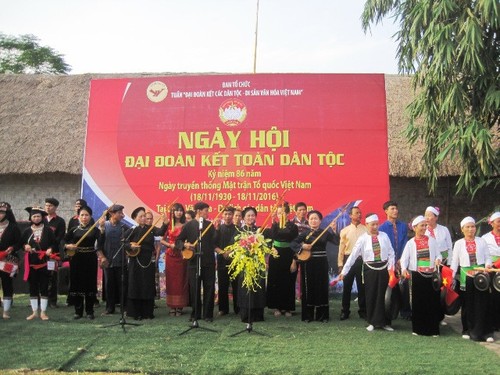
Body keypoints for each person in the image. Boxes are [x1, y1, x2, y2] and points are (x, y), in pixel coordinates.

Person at [340, 214, 395, 332]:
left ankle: (385, 322)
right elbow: (353, 255)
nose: (375, 227)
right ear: (367, 225)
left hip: (384, 269)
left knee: (384, 296)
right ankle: (372, 322)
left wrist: (391, 268)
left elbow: (391, 252)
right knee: (371, 295)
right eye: (372, 224)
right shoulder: (362, 238)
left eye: (377, 224)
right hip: (370, 269)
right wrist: (344, 271)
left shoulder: (384, 236)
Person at [451, 216, 494, 342]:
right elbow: (455, 261)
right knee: (467, 303)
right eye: (468, 227)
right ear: (462, 229)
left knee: (483, 303)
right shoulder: (459, 244)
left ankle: (486, 332)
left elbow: (487, 257)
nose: (471, 229)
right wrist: (452, 276)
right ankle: (467, 330)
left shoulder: (482, 241)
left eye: (473, 226)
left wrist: (487, 266)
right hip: (467, 275)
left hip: (481, 276)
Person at [291, 210, 339, 322]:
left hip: (321, 262)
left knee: (321, 287)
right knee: (308, 288)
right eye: (311, 218)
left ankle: (322, 316)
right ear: (308, 220)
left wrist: (334, 231)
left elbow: (336, 242)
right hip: (308, 263)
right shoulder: (305, 234)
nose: (313, 220)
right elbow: (293, 244)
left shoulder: (325, 232)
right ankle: (308, 316)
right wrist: (303, 246)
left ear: (320, 220)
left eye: (316, 218)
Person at [400, 215, 442, 336]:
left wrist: (438, 260)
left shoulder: (432, 241)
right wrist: (404, 269)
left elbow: (438, 255)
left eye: (425, 225)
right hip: (417, 275)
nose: (424, 228)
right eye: (422, 225)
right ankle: (418, 329)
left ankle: (433, 329)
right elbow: (404, 259)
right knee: (418, 302)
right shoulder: (410, 243)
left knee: (432, 302)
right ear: (414, 227)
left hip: (431, 275)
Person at [175, 202, 216, 322]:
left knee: (209, 287)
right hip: (193, 261)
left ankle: (208, 314)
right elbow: (178, 241)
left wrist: (217, 230)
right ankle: (195, 313)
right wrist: (185, 245)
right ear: (198, 211)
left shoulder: (210, 225)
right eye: (206, 210)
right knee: (194, 288)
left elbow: (214, 241)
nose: (207, 213)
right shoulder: (189, 225)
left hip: (208, 261)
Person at [124, 207, 167, 320]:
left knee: (147, 285)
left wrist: (165, 223)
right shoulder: (132, 230)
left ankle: (147, 313)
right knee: (135, 285)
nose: (143, 218)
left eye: (144, 216)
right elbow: (123, 241)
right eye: (141, 216)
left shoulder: (151, 229)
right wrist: (130, 246)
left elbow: (161, 232)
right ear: (135, 218)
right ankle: (135, 312)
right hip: (135, 261)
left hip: (148, 261)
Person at [64, 206, 103, 319]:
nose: (84, 217)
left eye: (86, 215)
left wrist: (102, 229)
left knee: (89, 284)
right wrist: (68, 245)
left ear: (90, 217)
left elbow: (101, 242)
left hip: (90, 258)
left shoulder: (94, 230)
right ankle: (78, 311)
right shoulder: (74, 230)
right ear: (78, 217)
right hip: (76, 259)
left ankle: (90, 311)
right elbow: (63, 240)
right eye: (82, 215)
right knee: (77, 284)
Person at [21, 206, 58, 321]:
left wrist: (50, 249)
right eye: (34, 216)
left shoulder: (48, 230)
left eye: (38, 216)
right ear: (31, 218)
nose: (36, 218)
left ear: (42, 217)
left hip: (44, 263)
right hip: (31, 263)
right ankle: (34, 312)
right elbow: (21, 243)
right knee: (33, 287)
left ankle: (43, 312)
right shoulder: (27, 231)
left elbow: (55, 244)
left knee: (44, 287)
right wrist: (25, 246)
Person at [234, 206, 269, 323]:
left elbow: (266, 247)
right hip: (244, 264)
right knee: (245, 289)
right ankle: (245, 315)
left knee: (258, 289)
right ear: (243, 218)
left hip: (258, 264)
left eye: (252, 215)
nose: (250, 217)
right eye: (248, 215)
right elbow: (234, 247)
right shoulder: (239, 231)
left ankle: (258, 315)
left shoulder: (260, 231)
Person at [266, 202, 298, 317]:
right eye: (279, 213)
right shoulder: (274, 225)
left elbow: (296, 244)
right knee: (276, 281)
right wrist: (271, 250)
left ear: (288, 213)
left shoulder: (293, 227)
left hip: (289, 255)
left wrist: (294, 260)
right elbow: (270, 241)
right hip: (276, 256)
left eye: (283, 212)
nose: (281, 215)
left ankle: (288, 308)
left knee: (288, 281)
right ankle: (277, 307)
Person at [379, 200, 409, 319]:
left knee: (404, 287)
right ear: (386, 211)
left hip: (402, 261)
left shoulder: (403, 225)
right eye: (392, 209)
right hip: (389, 262)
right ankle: (390, 310)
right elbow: (384, 247)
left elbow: (405, 243)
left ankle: (406, 311)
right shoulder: (382, 228)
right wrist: (392, 261)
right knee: (391, 287)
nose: (395, 211)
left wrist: (401, 259)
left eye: (396, 208)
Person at [338, 206, 367, 320]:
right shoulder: (344, 231)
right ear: (350, 215)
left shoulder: (365, 230)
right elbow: (341, 249)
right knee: (347, 287)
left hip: (361, 260)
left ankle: (363, 311)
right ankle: (345, 311)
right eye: (356, 213)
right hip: (348, 259)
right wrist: (340, 264)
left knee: (362, 287)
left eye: (360, 213)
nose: (359, 215)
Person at [160, 203, 189, 316]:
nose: (179, 212)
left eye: (181, 210)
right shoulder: (169, 226)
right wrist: (170, 245)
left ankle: (180, 306)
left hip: (182, 256)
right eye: (176, 210)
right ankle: (172, 306)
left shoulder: (185, 225)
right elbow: (162, 240)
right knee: (171, 281)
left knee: (181, 281)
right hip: (171, 256)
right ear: (172, 212)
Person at [98, 204, 127, 316]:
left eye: (121, 212)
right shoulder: (103, 226)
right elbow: (98, 245)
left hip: (121, 261)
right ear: (111, 213)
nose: (121, 215)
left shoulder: (124, 227)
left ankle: (124, 308)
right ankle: (110, 308)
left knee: (122, 285)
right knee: (109, 286)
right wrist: (102, 257)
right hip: (108, 261)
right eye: (119, 213)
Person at [214, 206, 239, 316]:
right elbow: (213, 244)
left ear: (233, 215)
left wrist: (230, 252)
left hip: (235, 260)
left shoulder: (238, 229)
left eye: (230, 214)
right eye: (226, 214)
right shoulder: (218, 229)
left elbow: (239, 244)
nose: (228, 216)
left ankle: (238, 308)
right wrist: (222, 252)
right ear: (222, 215)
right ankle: (223, 309)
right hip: (221, 259)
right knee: (222, 285)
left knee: (236, 285)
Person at [0, 202, 21, 319]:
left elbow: (19, 243)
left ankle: (6, 311)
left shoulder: (13, 227)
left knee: (7, 284)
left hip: (8, 258)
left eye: (2, 212)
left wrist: (12, 248)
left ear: (6, 214)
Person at [44, 197, 66, 308]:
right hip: (40, 253)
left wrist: (51, 248)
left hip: (53, 254)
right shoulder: (41, 219)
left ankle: (52, 300)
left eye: (50, 205)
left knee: (52, 276)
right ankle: (41, 299)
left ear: (56, 207)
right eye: (46, 205)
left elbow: (59, 237)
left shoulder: (60, 221)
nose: (48, 207)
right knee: (41, 277)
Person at [482, 212, 500, 331]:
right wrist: (489, 265)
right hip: (491, 268)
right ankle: (493, 322)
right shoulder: (485, 238)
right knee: (493, 296)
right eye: (498, 221)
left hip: (498, 265)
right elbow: (483, 254)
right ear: (491, 223)